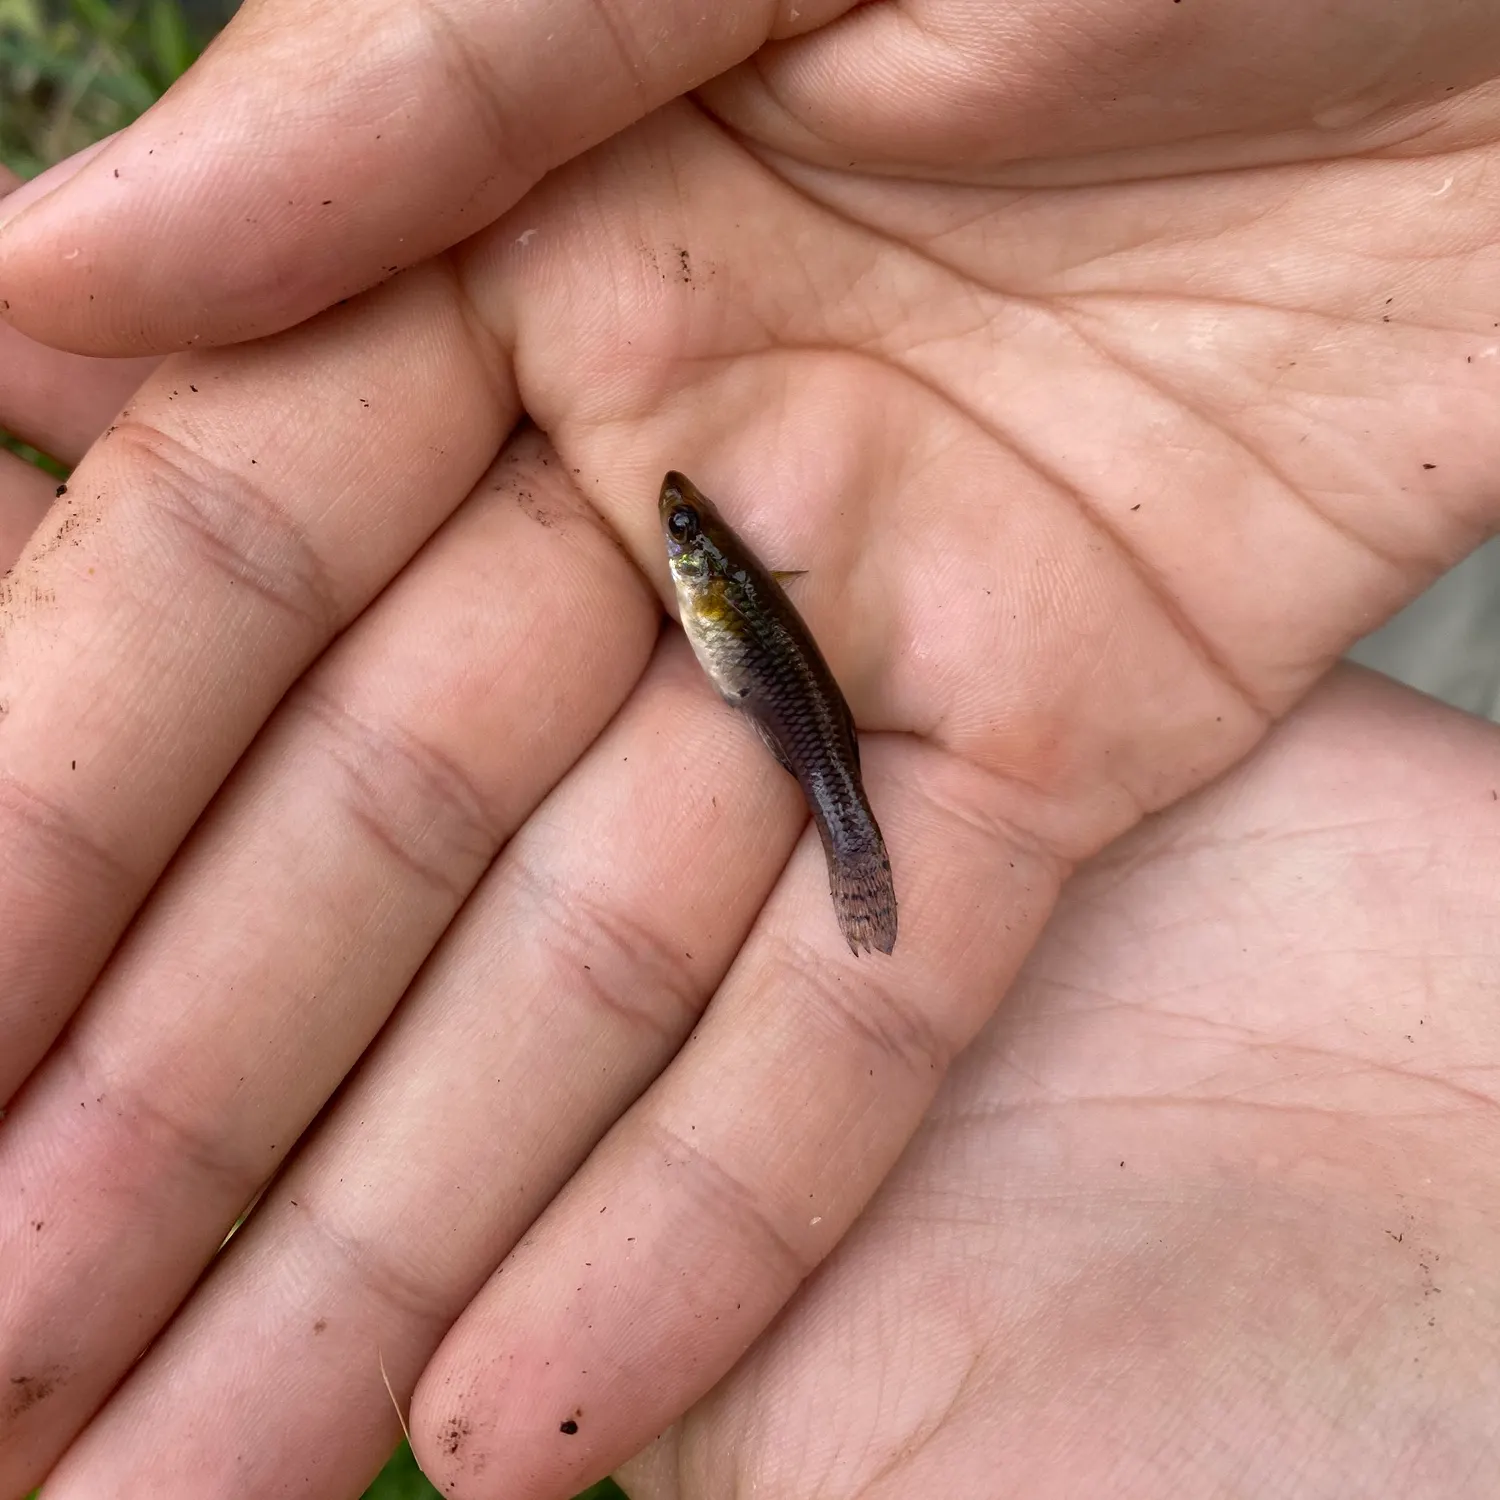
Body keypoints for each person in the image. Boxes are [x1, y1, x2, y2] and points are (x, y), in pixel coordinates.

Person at [1, 3, 1497, 1495]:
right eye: (684, 545)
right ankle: (857, 843)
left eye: (687, 545)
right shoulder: (723, 581)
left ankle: (859, 848)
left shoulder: (727, 587)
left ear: (702, 567)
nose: (682, 549)